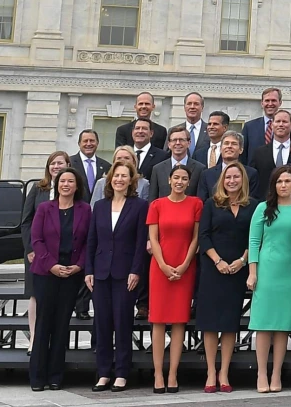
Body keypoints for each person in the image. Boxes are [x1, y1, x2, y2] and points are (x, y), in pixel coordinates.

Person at [85, 160, 148, 392]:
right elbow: (92, 240)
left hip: (125, 273)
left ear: (132, 181)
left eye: (124, 176)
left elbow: (141, 242)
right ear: (110, 180)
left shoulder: (140, 205)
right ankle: (103, 372)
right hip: (100, 272)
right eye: (116, 176)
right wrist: (89, 270)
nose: (119, 179)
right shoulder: (100, 206)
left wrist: (135, 271)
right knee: (102, 323)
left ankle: (121, 372)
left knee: (122, 322)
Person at [28, 168, 89, 392]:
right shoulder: (45, 208)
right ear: (57, 184)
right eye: (62, 181)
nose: (66, 184)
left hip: (71, 275)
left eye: (70, 181)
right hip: (46, 273)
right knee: (44, 324)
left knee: (62, 325)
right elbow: (37, 239)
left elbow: (87, 243)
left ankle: (55, 376)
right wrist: (51, 265)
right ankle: (37, 377)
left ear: (76, 186)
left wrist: (78, 266)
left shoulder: (85, 210)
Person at [198, 161, 254, 393]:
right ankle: (211, 370)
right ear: (222, 180)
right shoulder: (212, 204)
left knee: (230, 323)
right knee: (211, 323)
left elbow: (255, 236)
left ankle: (224, 372)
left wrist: (242, 260)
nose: (232, 181)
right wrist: (218, 261)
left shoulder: (253, 206)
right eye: (228, 177)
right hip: (213, 269)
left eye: (236, 177)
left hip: (237, 269)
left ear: (243, 180)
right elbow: (204, 236)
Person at [147, 164, 202, 393]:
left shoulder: (196, 204)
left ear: (188, 182)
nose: (179, 181)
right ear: (169, 180)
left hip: (185, 268)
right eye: (176, 178)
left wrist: (184, 264)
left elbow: (195, 238)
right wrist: (163, 265)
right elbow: (153, 239)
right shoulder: (157, 205)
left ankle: (173, 374)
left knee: (179, 321)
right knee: (158, 321)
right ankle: (158, 373)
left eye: (184, 178)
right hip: (160, 269)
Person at [247, 166, 291, 393]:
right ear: (274, 184)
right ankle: (261, 372)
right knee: (263, 325)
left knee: (282, 327)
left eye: (287, 181)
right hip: (267, 272)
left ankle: (276, 373)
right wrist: (252, 272)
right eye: (279, 181)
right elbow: (253, 241)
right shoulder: (263, 208)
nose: (283, 185)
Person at [21, 151, 71, 348]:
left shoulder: (71, 189)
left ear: (68, 165)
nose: (56, 166)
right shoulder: (37, 188)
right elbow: (26, 221)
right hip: (36, 253)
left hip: (60, 254)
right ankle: (35, 338)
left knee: (57, 298)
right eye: (52, 163)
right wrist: (30, 249)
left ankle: (55, 341)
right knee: (35, 295)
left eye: (60, 163)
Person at [151, 124, 207, 200]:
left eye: (181, 140)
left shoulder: (200, 169)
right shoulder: (158, 169)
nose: (177, 143)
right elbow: (153, 198)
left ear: (189, 143)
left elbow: (200, 198)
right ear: (169, 144)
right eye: (174, 140)